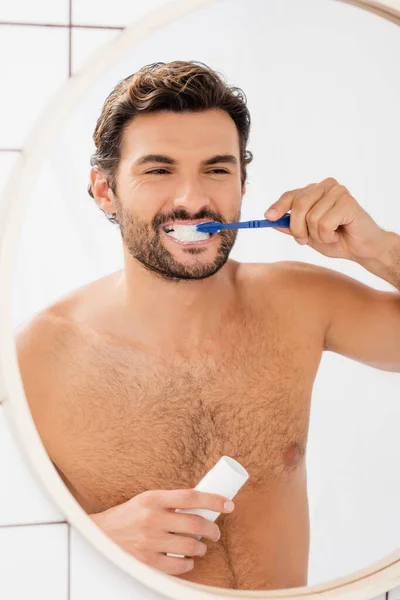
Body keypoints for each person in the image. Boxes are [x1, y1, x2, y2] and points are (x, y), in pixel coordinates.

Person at [15, 61, 400, 591]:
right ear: (105, 191)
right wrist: (89, 538)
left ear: (243, 184)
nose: (192, 199)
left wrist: (378, 248)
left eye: (217, 170)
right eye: (159, 170)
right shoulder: (35, 358)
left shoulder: (302, 302)